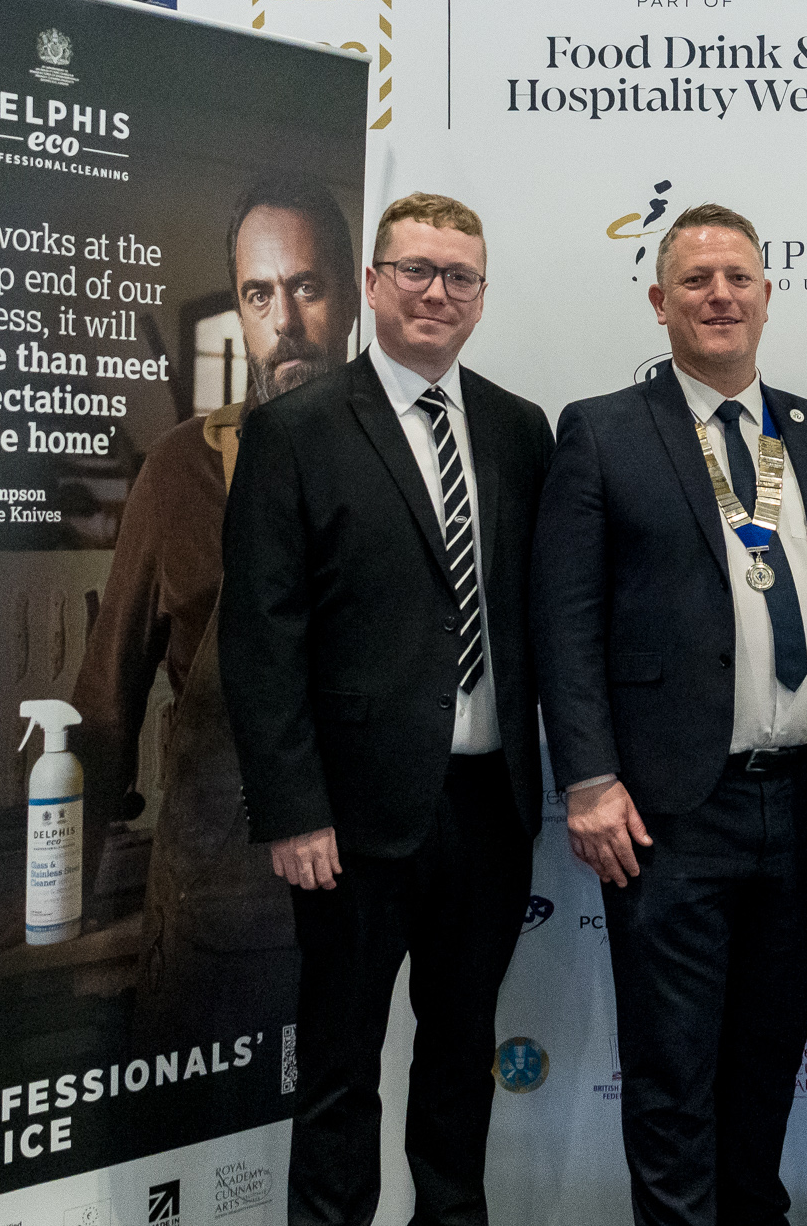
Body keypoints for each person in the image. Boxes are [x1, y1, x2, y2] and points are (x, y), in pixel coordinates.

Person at [219, 192, 554, 1226]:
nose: (436, 292)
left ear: (481, 296)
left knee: (459, 1061)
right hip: (351, 822)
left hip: (489, 808)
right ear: (372, 283)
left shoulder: (519, 429)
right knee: (339, 1068)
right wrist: (292, 810)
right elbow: (260, 639)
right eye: (415, 270)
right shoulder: (294, 430)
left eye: (459, 276)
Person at [532, 202, 807, 1226]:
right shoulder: (602, 429)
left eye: (738, 278)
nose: (719, 296)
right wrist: (588, 778)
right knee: (673, 1073)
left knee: (767, 1063)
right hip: (667, 808)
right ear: (658, 301)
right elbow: (564, 619)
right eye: (696, 280)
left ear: (767, 295)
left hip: (800, 802)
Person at [71, 173, 356, 1052]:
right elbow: (104, 705)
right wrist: (60, 893)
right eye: (259, 294)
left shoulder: (406, 464)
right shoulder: (181, 473)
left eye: (307, 286)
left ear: (351, 295)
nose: (285, 320)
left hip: (373, 911)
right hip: (219, 923)